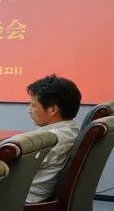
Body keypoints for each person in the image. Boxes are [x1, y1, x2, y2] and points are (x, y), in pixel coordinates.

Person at [24, 74, 82, 203]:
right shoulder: (72, 131)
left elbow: (16, 170)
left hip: (22, 201)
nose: (29, 110)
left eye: (33, 105)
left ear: (52, 109)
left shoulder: (49, 140)